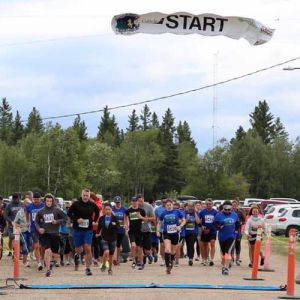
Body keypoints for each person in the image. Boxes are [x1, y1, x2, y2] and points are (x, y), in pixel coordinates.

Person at [67, 189, 99, 276]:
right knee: (78, 249)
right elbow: (69, 213)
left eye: (87, 196)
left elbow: (97, 212)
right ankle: (77, 256)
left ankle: (88, 268)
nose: (85, 197)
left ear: (89, 196)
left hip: (88, 229)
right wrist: (76, 219)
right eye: (84, 195)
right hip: (77, 229)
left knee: (88, 248)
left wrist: (94, 220)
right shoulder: (76, 204)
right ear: (82, 195)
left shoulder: (92, 204)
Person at [35, 194, 67, 277]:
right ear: (45, 201)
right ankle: (48, 269)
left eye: (50, 201)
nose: (49, 202)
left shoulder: (57, 210)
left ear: (53, 202)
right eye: (47, 201)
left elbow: (66, 218)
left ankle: (52, 262)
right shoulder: (41, 211)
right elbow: (36, 221)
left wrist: (57, 221)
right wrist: (39, 228)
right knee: (47, 250)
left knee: (55, 254)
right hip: (45, 233)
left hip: (55, 234)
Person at [157, 199, 186, 274]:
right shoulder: (163, 213)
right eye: (167, 205)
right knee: (167, 250)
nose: (169, 206)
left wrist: (180, 226)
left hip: (175, 234)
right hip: (166, 233)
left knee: (173, 252)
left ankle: (171, 261)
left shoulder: (177, 212)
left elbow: (184, 220)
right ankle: (168, 266)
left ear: (172, 205)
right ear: (165, 206)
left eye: (170, 205)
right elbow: (159, 223)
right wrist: (157, 231)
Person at [214, 200, 240, 275]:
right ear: (223, 208)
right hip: (222, 236)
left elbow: (238, 224)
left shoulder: (234, 215)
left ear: (231, 208)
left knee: (227, 252)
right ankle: (225, 265)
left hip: (231, 236)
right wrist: (219, 226)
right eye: (226, 209)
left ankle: (226, 268)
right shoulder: (218, 215)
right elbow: (214, 225)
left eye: (229, 209)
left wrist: (236, 233)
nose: (227, 211)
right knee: (223, 253)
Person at [97, 203, 120, 275]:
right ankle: (104, 264)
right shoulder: (101, 218)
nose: (107, 211)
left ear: (111, 210)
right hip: (104, 238)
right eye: (106, 209)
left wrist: (114, 225)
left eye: (109, 209)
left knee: (111, 255)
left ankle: (110, 269)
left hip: (113, 239)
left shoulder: (115, 218)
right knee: (106, 251)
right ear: (104, 210)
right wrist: (97, 233)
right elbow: (99, 228)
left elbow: (118, 227)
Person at [125, 196, 146, 269]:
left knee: (139, 248)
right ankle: (133, 261)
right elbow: (126, 219)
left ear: (138, 202)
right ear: (131, 202)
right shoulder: (128, 211)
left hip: (139, 231)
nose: (134, 202)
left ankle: (141, 262)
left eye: (136, 201)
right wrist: (126, 225)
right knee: (133, 246)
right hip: (132, 231)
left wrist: (141, 217)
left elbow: (145, 220)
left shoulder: (142, 210)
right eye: (133, 201)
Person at [27, 192, 45, 270]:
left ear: (40, 199)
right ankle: (39, 263)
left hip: (43, 228)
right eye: (35, 199)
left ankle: (42, 259)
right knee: (37, 246)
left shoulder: (44, 205)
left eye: (37, 199)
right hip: (34, 228)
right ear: (33, 199)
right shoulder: (30, 206)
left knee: (42, 246)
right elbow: (27, 213)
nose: (36, 201)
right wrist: (28, 221)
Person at [137, 194, 155, 270]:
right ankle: (141, 263)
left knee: (147, 250)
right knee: (139, 247)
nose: (140, 203)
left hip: (147, 230)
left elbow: (154, 218)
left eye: (141, 201)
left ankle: (149, 255)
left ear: (143, 200)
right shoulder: (134, 207)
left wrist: (147, 219)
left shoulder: (149, 206)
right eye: (138, 201)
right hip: (137, 230)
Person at [199, 198, 218, 266]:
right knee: (204, 245)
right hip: (204, 230)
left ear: (212, 204)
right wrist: (202, 226)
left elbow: (216, 222)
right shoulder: (202, 212)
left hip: (212, 230)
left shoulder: (215, 212)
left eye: (210, 204)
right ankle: (204, 259)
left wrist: (210, 229)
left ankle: (211, 259)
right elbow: (198, 220)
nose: (208, 205)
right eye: (207, 204)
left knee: (212, 243)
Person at [14, 198, 32, 267]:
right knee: (25, 245)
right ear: (24, 204)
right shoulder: (20, 212)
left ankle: (27, 259)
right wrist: (17, 225)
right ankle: (25, 262)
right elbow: (15, 222)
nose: (28, 204)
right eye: (27, 203)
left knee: (30, 244)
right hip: (23, 231)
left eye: (29, 203)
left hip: (30, 230)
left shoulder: (31, 211)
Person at [4, 192, 23, 257]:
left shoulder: (21, 204)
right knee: (12, 237)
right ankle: (11, 251)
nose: (18, 200)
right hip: (11, 225)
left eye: (19, 199)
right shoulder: (9, 205)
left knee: (20, 239)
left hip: (20, 225)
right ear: (13, 199)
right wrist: (11, 221)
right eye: (16, 199)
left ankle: (17, 252)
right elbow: (5, 215)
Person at [184, 202, 200, 266]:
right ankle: (189, 256)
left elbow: (198, 222)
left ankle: (191, 258)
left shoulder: (196, 213)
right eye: (189, 206)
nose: (190, 208)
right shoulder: (184, 213)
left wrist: (195, 213)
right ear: (187, 207)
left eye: (192, 206)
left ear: (194, 207)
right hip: (186, 232)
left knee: (191, 244)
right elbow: (182, 221)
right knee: (188, 245)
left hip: (194, 232)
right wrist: (186, 220)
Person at [112, 196, 127, 265]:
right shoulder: (112, 209)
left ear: (120, 202)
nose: (117, 204)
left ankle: (117, 259)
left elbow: (126, 219)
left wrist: (126, 226)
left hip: (121, 229)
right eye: (116, 202)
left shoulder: (124, 209)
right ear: (114, 202)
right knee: (114, 244)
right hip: (114, 229)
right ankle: (114, 259)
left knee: (118, 245)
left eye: (119, 202)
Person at [231, 199, 246, 266]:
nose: (234, 207)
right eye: (233, 206)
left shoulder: (240, 212)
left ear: (237, 206)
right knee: (231, 245)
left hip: (238, 231)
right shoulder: (229, 212)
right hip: (231, 231)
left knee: (237, 244)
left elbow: (244, 220)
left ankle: (237, 259)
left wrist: (241, 222)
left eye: (235, 206)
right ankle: (232, 259)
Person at [154, 196, 167, 265]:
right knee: (162, 245)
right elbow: (155, 219)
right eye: (163, 202)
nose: (164, 203)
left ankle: (169, 258)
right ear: (161, 202)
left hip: (169, 230)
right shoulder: (157, 209)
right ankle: (163, 259)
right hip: (161, 230)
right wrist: (157, 229)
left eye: (165, 202)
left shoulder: (170, 208)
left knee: (168, 245)